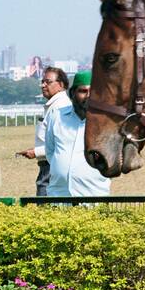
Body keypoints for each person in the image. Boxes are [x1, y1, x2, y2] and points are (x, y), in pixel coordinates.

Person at [43, 70, 111, 198]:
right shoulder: (57, 116)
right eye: (83, 91)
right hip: (59, 195)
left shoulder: (106, 123)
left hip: (94, 196)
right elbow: (50, 151)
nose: (89, 96)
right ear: (72, 93)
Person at [17, 67, 70, 196]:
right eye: (42, 82)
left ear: (61, 85)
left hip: (52, 165)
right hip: (48, 163)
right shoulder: (53, 105)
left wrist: (36, 152)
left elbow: (62, 144)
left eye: (48, 82)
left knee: (46, 206)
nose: (43, 85)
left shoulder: (61, 107)